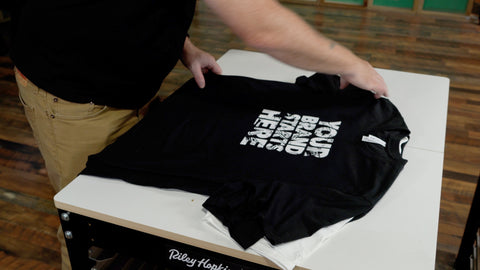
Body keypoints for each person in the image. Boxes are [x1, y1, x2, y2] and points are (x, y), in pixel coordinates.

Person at [8, 0, 388, 269]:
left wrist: (183, 48)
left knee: (130, 214)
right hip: (71, 95)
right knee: (91, 226)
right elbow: (262, 25)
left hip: (122, 87)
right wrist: (350, 64)